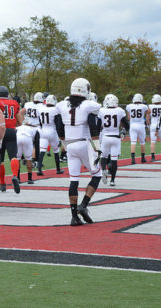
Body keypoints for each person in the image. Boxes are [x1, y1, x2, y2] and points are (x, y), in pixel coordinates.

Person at [56, 78, 102, 226]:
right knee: (97, 174)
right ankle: (84, 205)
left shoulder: (61, 105)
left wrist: (64, 145)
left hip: (70, 145)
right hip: (84, 144)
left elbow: (59, 128)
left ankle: (73, 216)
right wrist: (98, 147)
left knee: (73, 179)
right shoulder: (89, 104)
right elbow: (96, 110)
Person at [97, 94, 129, 186]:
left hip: (105, 137)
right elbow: (127, 126)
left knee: (104, 156)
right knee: (114, 160)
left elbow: (98, 126)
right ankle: (112, 180)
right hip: (115, 137)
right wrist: (123, 132)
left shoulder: (102, 111)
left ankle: (103, 170)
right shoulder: (120, 111)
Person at [0, 86, 22, 194]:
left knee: (0, 159)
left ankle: (2, 184)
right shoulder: (14, 103)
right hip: (11, 131)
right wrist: (11, 124)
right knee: (13, 156)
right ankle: (15, 176)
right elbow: (20, 121)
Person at [37, 94, 64, 175]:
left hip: (43, 130)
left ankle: (39, 169)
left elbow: (39, 121)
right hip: (52, 131)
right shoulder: (55, 109)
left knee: (42, 150)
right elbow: (57, 122)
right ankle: (58, 169)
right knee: (56, 150)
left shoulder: (41, 108)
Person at [126, 93, 150, 164]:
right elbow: (149, 111)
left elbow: (128, 117)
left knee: (133, 142)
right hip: (141, 125)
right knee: (142, 142)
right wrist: (146, 105)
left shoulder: (129, 106)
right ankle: (143, 158)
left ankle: (133, 159)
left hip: (133, 125)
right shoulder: (143, 106)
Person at [20, 92, 43, 166]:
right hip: (36, 127)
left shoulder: (28, 104)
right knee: (36, 145)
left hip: (27, 127)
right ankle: (35, 161)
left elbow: (21, 112)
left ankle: (24, 159)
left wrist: (22, 121)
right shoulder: (41, 106)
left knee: (26, 144)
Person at [148, 94, 161, 161]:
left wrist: (148, 124)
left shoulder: (150, 106)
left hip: (153, 125)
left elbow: (148, 117)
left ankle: (153, 157)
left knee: (153, 142)